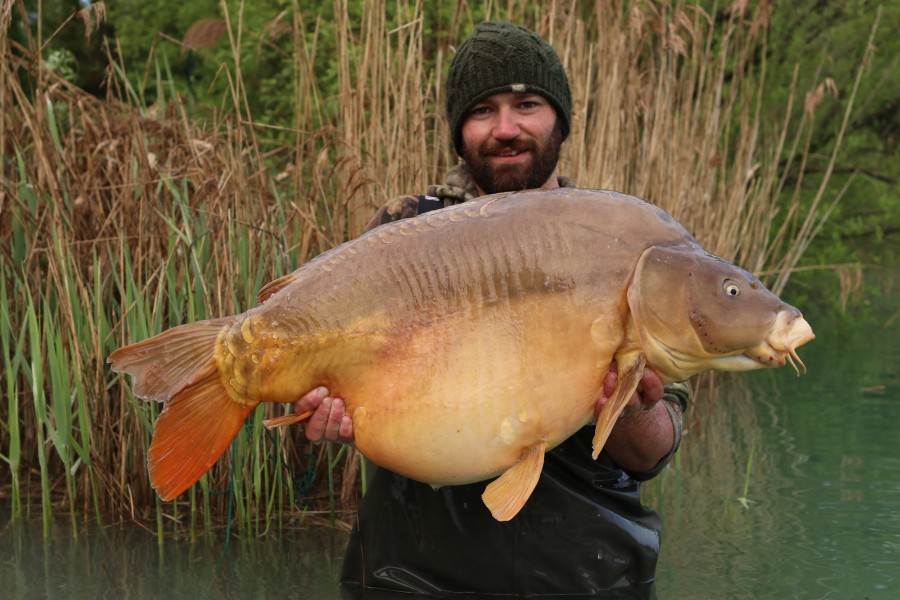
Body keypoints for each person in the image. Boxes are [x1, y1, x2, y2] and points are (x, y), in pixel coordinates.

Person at [294, 21, 690, 597]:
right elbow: (351, 395)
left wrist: (628, 406)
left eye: (526, 104)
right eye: (482, 110)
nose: (506, 129)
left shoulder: (623, 240)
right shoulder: (403, 231)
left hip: (590, 572)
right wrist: (336, 416)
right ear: (460, 131)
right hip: (413, 574)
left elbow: (654, 452)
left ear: (559, 118)